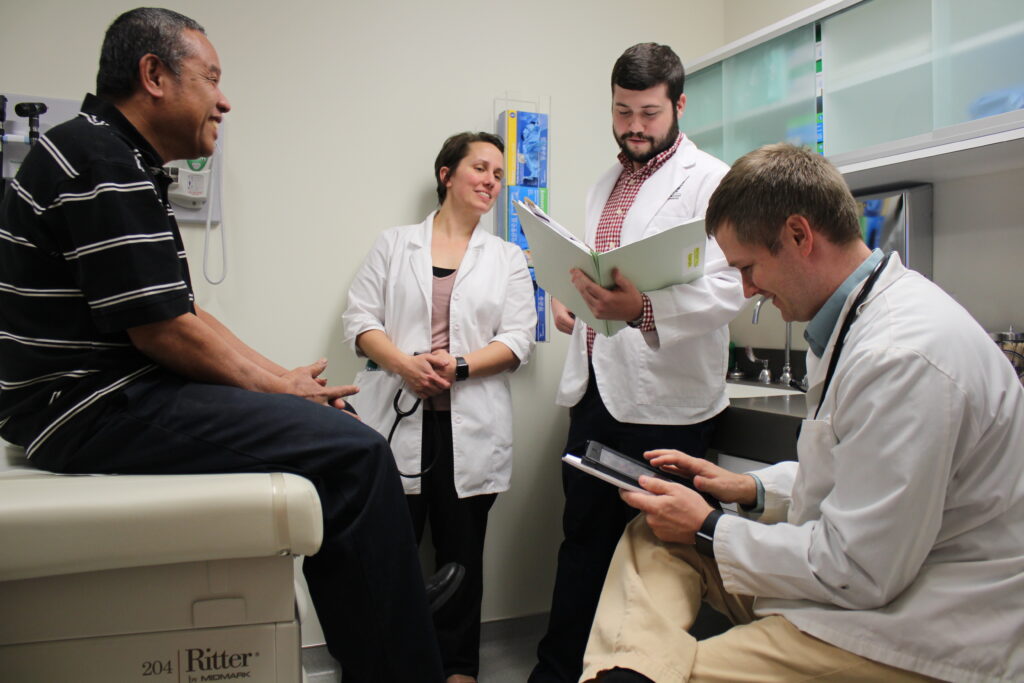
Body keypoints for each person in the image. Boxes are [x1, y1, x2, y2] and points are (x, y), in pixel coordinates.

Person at [0, 8, 460, 682]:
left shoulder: (112, 154)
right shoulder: (100, 159)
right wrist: (281, 389)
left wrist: (287, 381)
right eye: (211, 78)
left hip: (97, 392)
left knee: (336, 422)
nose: (224, 99)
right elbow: (165, 332)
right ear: (153, 75)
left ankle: (382, 607)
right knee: (356, 452)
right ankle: (398, 654)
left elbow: (182, 314)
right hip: (83, 405)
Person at [580, 143, 1024, 682]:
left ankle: (639, 672)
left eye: (747, 267)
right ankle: (633, 673)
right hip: (854, 579)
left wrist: (709, 526)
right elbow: (859, 474)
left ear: (798, 235)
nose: (745, 291)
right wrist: (751, 490)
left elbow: (859, 568)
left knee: (685, 659)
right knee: (653, 533)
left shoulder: (904, 356)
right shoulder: (853, 321)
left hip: (911, 625)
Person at [529, 43, 744, 682]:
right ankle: (558, 671)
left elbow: (732, 285)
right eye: (623, 111)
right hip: (597, 393)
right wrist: (578, 306)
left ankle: (626, 675)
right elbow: (604, 282)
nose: (634, 127)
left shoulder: (713, 181)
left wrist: (641, 309)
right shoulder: (605, 183)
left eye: (649, 112)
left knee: (653, 557)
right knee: (584, 540)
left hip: (666, 407)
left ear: (679, 104)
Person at [343, 132, 536, 683]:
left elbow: (520, 338)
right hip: (396, 419)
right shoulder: (394, 244)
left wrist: (462, 367)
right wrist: (407, 365)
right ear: (446, 174)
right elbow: (360, 321)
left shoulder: (507, 258)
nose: (491, 181)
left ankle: (458, 671)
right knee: (388, 557)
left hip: (469, 426)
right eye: (480, 167)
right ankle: (388, 666)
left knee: (462, 558)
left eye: (498, 175)